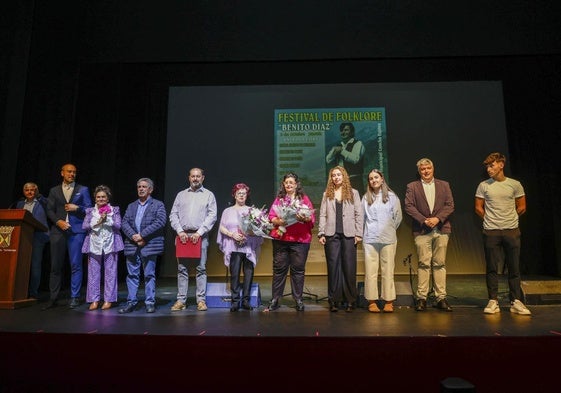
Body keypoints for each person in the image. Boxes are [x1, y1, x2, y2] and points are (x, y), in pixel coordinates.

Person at [475, 152, 531, 315]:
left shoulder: (515, 184)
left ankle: (516, 301)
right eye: (487, 166)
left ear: (501, 165)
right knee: (492, 267)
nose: (488, 169)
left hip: (511, 230)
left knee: (514, 267)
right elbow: (478, 207)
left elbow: (522, 206)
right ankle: (493, 300)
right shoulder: (483, 185)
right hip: (491, 231)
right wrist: (489, 220)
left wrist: (510, 219)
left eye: (491, 166)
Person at [405, 158, 455, 312]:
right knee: (424, 263)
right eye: (422, 169)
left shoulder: (444, 185)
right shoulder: (412, 186)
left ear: (433, 169)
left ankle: (441, 297)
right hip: (422, 230)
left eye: (428, 168)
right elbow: (408, 206)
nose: (426, 171)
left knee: (440, 263)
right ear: (419, 171)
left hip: (441, 229)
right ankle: (422, 298)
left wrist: (437, 219)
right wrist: (424, 220)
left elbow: (450, 205)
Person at [43, 163, 93, 310]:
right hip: (58, 232)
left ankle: (74, 297)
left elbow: (90, 209)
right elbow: (50, 210)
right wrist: (58, 222)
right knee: (55, 266)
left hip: (76, 232)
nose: (72, 174)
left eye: (74, 172)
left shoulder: (82, 190)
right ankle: (53, 298)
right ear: (62, 173)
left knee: (76, 265)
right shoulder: (54, 190)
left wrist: (77, 208)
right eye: (69, 172)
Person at [169, 168, 217, 312]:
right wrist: (180, 231)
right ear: (189, 178)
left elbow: (212, 216)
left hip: (200, 237)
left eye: (198, 176)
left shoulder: (209, 195)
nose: (195, 178)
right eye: (193, 176)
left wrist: (200, 232)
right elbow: (173, 215)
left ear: (203, 178)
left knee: (201, 269)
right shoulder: (181, 195)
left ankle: (201, 301)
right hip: (182, 236)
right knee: (182, 269)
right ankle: (181, 300)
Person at [267, 172, 315, 311]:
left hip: (300, 240)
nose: (288, 184)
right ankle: (275, 298)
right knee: (279, 270)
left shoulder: (304, 199)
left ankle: (298, 299)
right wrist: (279, 220)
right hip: (281, 240)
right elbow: (271, 217)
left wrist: (303, 217)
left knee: (298, 270)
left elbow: (311, 219)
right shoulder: (279, 199)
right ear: (283, 184)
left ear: (296, 185)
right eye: (286, 182)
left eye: (291, 182)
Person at [318, 166, 363, 313]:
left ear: (344, 176)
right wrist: (321, 233)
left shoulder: (353, 193)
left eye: (338, 175)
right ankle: (334, 300)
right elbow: (322, 215)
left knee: (349, 268)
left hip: (349, 234)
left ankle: (350, 300)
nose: (336, 177)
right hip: (331, 235)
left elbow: (358, 214)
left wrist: (358, 233)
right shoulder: (327, 194)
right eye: (333, 175)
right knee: (333, 268)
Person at [119, 178, 167, 314]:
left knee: (149, 275)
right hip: (132, 245)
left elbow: (160, 221)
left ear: (150, 189)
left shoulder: (158, 205)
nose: (141, 189)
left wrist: (142, 235)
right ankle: (131, 302)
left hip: (149, 245)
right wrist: (134, 236)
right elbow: (124, 223)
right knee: (132, 275)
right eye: (139, 186)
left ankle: (150, 302)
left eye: (144, 187)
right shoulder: (131, 205)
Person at [217, 183, 264, 311]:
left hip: (248, 246)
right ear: (235, 195)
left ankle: (246, 301)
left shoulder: (252, 211)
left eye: (244, 193)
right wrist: (232, 234)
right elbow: (221, 227)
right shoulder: (227, 211)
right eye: (239, 193)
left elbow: (258, 229)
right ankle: (235, 300)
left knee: (248, 273)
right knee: (235, 274)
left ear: (246, 195)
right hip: (234, 246)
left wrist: (248, 234)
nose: (242, 195)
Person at [362, 169, 403, 313]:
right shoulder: (365, 198)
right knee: (370, 272)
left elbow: (398, 218)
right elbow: (362, 218)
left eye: (376, 177)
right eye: (371, 178)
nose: (374, 180)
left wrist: (389, 229)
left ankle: (388, 301)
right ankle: (372, 301)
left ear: (382, 179)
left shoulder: (392, 197)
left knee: (388, 271)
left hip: (388, 238)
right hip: (370, 239)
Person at [81, 185, 124, 311]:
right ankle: (94, 299)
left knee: (111, 273)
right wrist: (98, 222)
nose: (101, 199)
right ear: (95, 198)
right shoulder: (90, 211)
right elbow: (84, 226)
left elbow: (118, 225)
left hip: (110, 244)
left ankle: (108, 300)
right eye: (98, 197)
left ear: (107, 198)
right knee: (93, 274)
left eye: (103, 197)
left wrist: (107, 220)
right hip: (94, 245)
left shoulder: (114, 210)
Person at [10, 182, 50, 299]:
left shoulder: (43, 202)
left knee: (35, 265)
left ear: (36, 191)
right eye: (27, 190)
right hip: (21, 238)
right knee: (20, 265)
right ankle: (19, 291)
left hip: (38, 237)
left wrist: (40, 196)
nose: (29, 192)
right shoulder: (19, 204)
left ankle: (33, 293)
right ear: (23, 192)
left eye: (32, 190)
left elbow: (50, 209)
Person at [325, 122, 366, 195]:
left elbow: (355, 159)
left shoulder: (358, 144)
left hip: (355, 181)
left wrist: (342, 151)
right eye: (342, 130)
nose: (343, 132)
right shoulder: (338, 145)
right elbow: (328, 160)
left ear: (352, 132)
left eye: (346, 130)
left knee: (356, 202)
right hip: (340, 182)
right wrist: (333, 151)